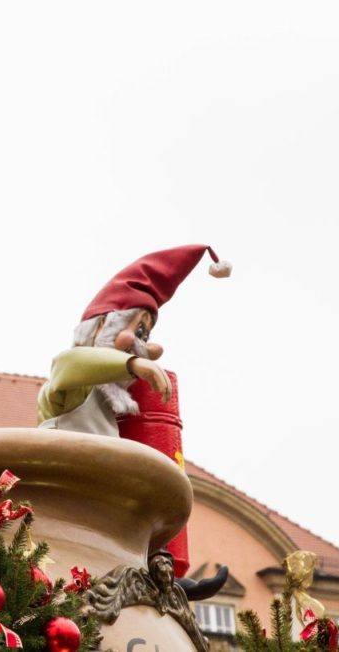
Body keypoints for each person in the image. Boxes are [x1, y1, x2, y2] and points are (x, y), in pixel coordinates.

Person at [37, 244, 231, 600]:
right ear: (101, 330)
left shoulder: (114, 406)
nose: (145, 346)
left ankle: (166, 576)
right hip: (63, 498)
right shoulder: (72, 389)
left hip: (99, 504)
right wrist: (133, 364)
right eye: (136, 332)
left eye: (146, 336)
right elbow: (65, 365)